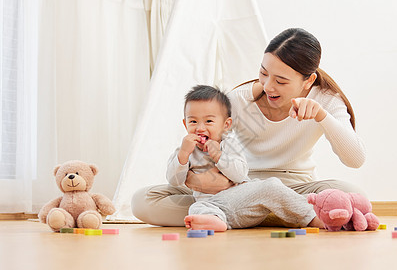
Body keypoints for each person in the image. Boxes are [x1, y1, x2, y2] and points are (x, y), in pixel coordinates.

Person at [131, 28, 365, 228]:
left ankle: (242, 215)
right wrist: (201, 180)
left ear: (308, 81)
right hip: (237, 185)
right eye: (263, 73)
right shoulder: (236, 102)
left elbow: (355, 159)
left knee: (354, 193)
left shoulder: (326, 100)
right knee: (142, 200)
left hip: (295, 186)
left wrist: (322, 116)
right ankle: (278, 212)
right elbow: (204, 154)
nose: (268, 86)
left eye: (281, 81)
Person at [167, 85, 320, 231]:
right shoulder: (185, 151)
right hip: (212, 205)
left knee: (271, 186)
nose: (200, 128)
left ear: (226, 125)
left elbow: (239, 175)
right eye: (193, 121)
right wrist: (183, 155)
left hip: (242, 200)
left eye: (208, 121)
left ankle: (312, 217)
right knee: (196, 208)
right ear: (185, 124)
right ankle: (216, 221)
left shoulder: (230, 144)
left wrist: (219, 156)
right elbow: (174, 180)